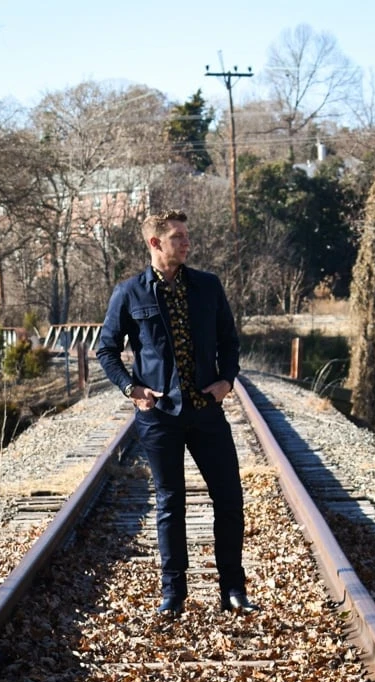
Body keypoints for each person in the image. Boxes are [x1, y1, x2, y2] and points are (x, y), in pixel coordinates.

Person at [96, 209, 258, 615]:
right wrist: (131, 389)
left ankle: (233, 591)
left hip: (206, 412)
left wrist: (227, 380)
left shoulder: (207, 286)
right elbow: (106, 350)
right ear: (155, 243)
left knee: (229, 498)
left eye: (187, 236)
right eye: (178, 237)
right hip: (159, 417)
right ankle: (174, 594)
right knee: (170, 502)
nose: (187, 242)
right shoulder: (129, 293)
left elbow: (230, 342)